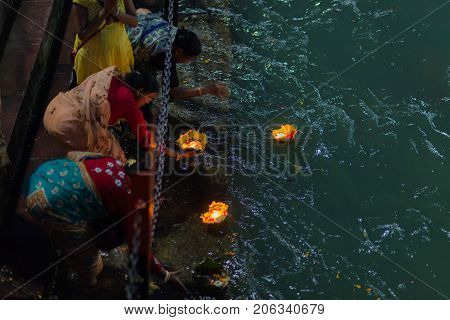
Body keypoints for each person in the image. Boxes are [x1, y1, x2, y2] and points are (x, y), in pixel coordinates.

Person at [25, 152, 187, 290]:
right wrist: (165, 276)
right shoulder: (130, 202)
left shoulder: (114, 163)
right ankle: (89, 284)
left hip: (46, 172)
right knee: (90, 261)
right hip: (45, 203)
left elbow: (75, 155)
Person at [44, 66, 162, 163]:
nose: (148, 102)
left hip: (54, 109)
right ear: (140, 91)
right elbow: (145, 139)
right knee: (116, 159)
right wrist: (172, 152)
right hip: (69, 124)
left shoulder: (113, 78)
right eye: (150, 97)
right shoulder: (128, 101)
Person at [127, 8, 230, 101]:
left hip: (124, 26)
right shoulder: (166, 56)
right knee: (151, 86)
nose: (188, 62)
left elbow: (142, 11)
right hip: (123, 51)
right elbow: (174, 93)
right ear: (179, 52)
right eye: (188, 59)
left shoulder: (169, 28)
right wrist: (206, 89)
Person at [72, 0, 138, 85]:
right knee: (95, 92)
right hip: (93, 59)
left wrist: (116, 13)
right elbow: (82, 35)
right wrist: (105, 12)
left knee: (119, 91)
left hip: (119, 54)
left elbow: (134, 22)